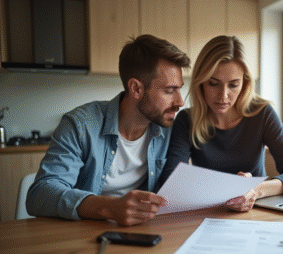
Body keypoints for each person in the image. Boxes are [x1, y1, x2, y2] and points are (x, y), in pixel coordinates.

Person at [26, 34, 190, 226]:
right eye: (169, 91)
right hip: (80, 236)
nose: (180, 102)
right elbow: (39, 195)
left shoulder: (169, 129)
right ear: (136, 89)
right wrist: (109, 207)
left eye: (179, 89)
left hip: (140, 235)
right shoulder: (80, 125)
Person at [157, 35, 283, 212]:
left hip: (255, 212)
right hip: (208, 213)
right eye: (214, 84)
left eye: (233, 85)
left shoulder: (262, 114)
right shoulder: (186, 120)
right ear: (201, 83)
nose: (223, 95)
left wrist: (256, 190)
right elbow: (171, 181)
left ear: (244, 84)